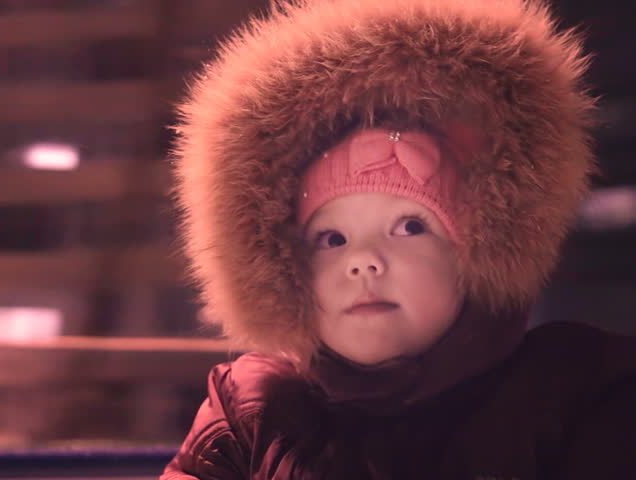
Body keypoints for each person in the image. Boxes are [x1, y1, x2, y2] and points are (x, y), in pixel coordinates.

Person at [162, 0, 636, 478]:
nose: (363, 260)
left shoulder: (577, 395)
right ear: (285, 274)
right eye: (331, 238)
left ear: (477, 252)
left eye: (410, 226)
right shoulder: (251, 410)